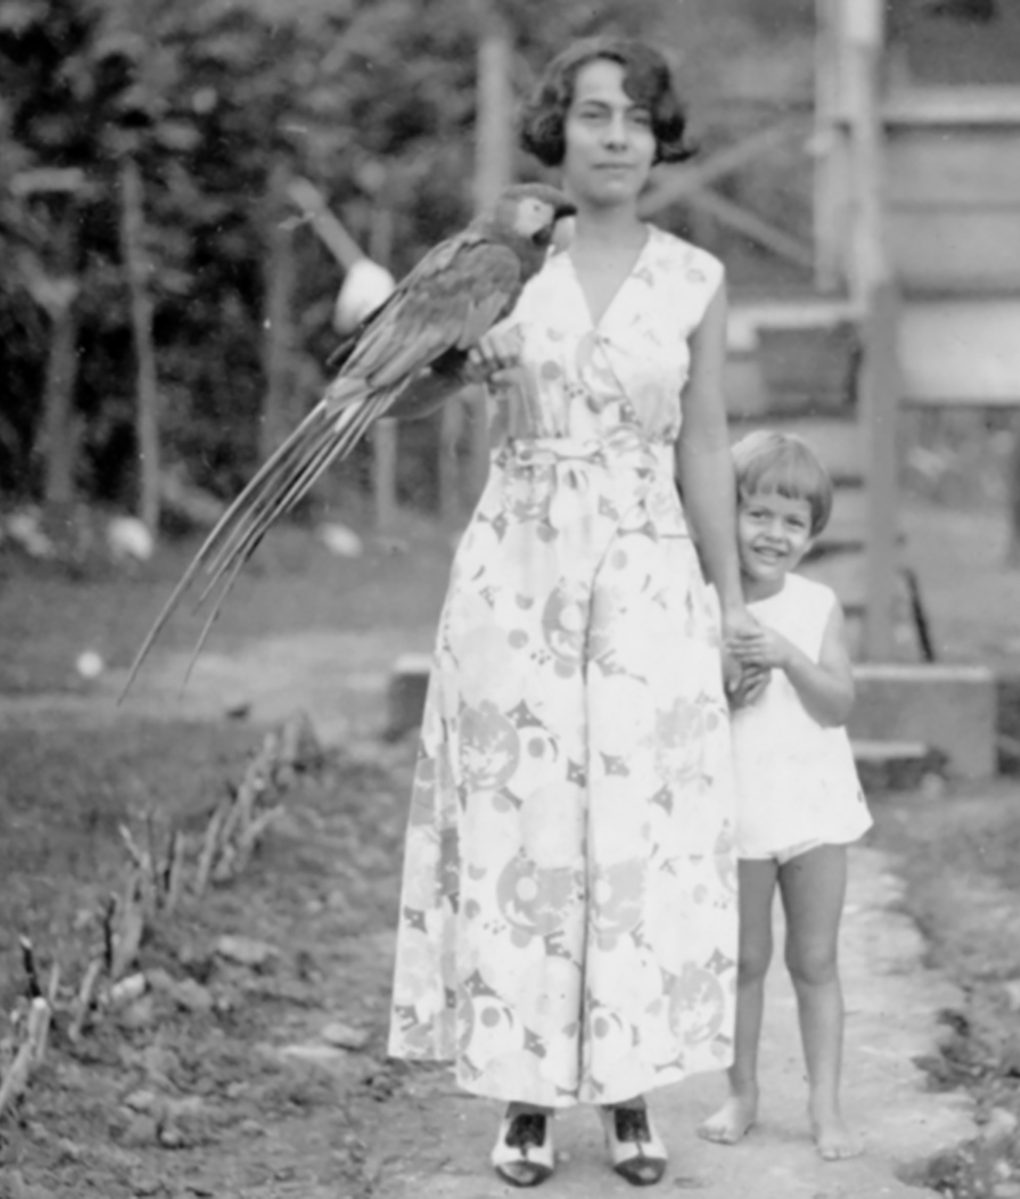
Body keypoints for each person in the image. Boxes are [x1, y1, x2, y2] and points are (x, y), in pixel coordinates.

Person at [386, 36, 754, 1190]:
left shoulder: (693, 277)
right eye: (593, 114)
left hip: (646, 570)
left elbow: (702, 448)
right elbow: (392, 400)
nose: (614, 136)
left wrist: (729, 598)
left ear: (659, 141)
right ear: (559, 129)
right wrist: (463, 365)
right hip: (521, 565)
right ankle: (526, 1096)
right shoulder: (498, 263)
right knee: (524, 818)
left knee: (638, 825)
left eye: (637, 118)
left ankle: (634, 1093)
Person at [697, 430, 870, 1161]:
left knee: (816, 959)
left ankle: (824, 1104)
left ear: (812, 535)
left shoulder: (817, 602)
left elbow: (837, 705)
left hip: (813, 807)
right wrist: (732, 687)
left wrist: (789, 656)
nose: (774, 533)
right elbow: (695, 709)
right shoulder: (705, 600)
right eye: (758, 513)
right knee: (744, 958)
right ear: (727, 515)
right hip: (739, 809)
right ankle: (742, 1092)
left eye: (793, 522)